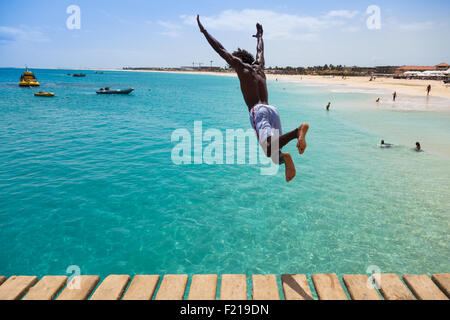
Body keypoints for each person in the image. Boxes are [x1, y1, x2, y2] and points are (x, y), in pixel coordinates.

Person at [197, 15, 309, 182]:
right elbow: (260, 51)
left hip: (258, 111)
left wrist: (204, 31)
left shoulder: (241, 67)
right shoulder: (259, 67)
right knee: (274, 154)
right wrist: (260, 36)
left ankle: (297, 132)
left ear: (237, 60)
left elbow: (220, 50)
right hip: (272, 110)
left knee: (268, 150)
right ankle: (287, 153)